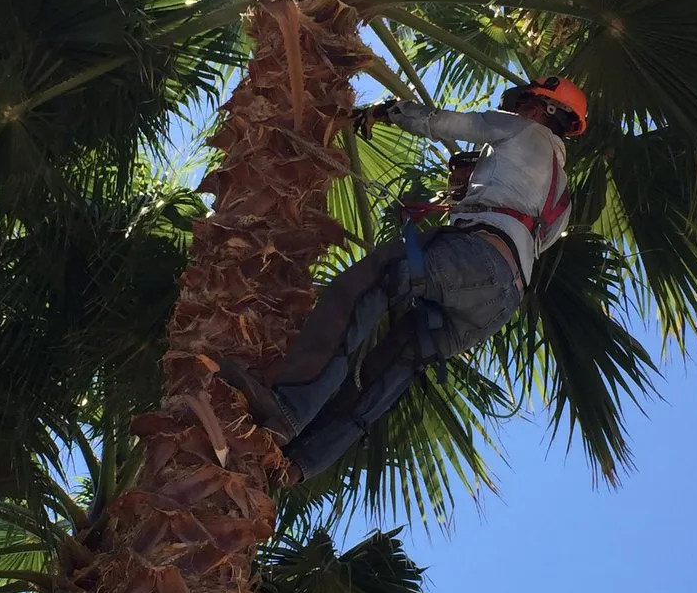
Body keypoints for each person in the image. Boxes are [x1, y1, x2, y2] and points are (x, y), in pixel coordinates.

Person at [218, 77, 588, 483]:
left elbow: (443, 123)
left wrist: (387, 111)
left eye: (523, 105)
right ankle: (298, 464)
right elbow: (519, 226)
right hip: (501, 300)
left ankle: (287, 409)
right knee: (395, 363)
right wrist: (472, 186)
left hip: (477, 257)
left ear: (540, 109)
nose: (518, 111)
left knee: (375, 280)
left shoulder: (520, 128)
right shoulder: (564, 198)